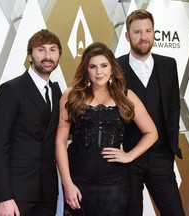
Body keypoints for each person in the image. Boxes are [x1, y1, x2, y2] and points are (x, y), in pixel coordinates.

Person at [55, 42, 158, 216]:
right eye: (92, 66)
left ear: (112, 68)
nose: (99, 72)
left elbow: (152, 132)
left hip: (115, 182)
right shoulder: (71, 95)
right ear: (86, 69)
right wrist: (67, 184)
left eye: (104, 65)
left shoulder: (126, 96)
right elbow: (60, 141)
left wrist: (129, 156)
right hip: (80, 180)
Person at [117, 9, 185, 216]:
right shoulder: (115, 67)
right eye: (137, 32)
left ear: (154, 33)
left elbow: (173, 107)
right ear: (128, 36)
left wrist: (170, 148)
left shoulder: (168, 64)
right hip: (128, 158)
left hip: (161, 157)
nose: (144, 37)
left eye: (148, 31)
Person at [0, 29, 62, 216]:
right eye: (41, 50)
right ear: (30, 56)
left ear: (59, 56)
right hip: (17, 192)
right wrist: (4, 197)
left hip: (47, 192)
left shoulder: (56, 92)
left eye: (53, 50)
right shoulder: (10, 90)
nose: (47, 56)